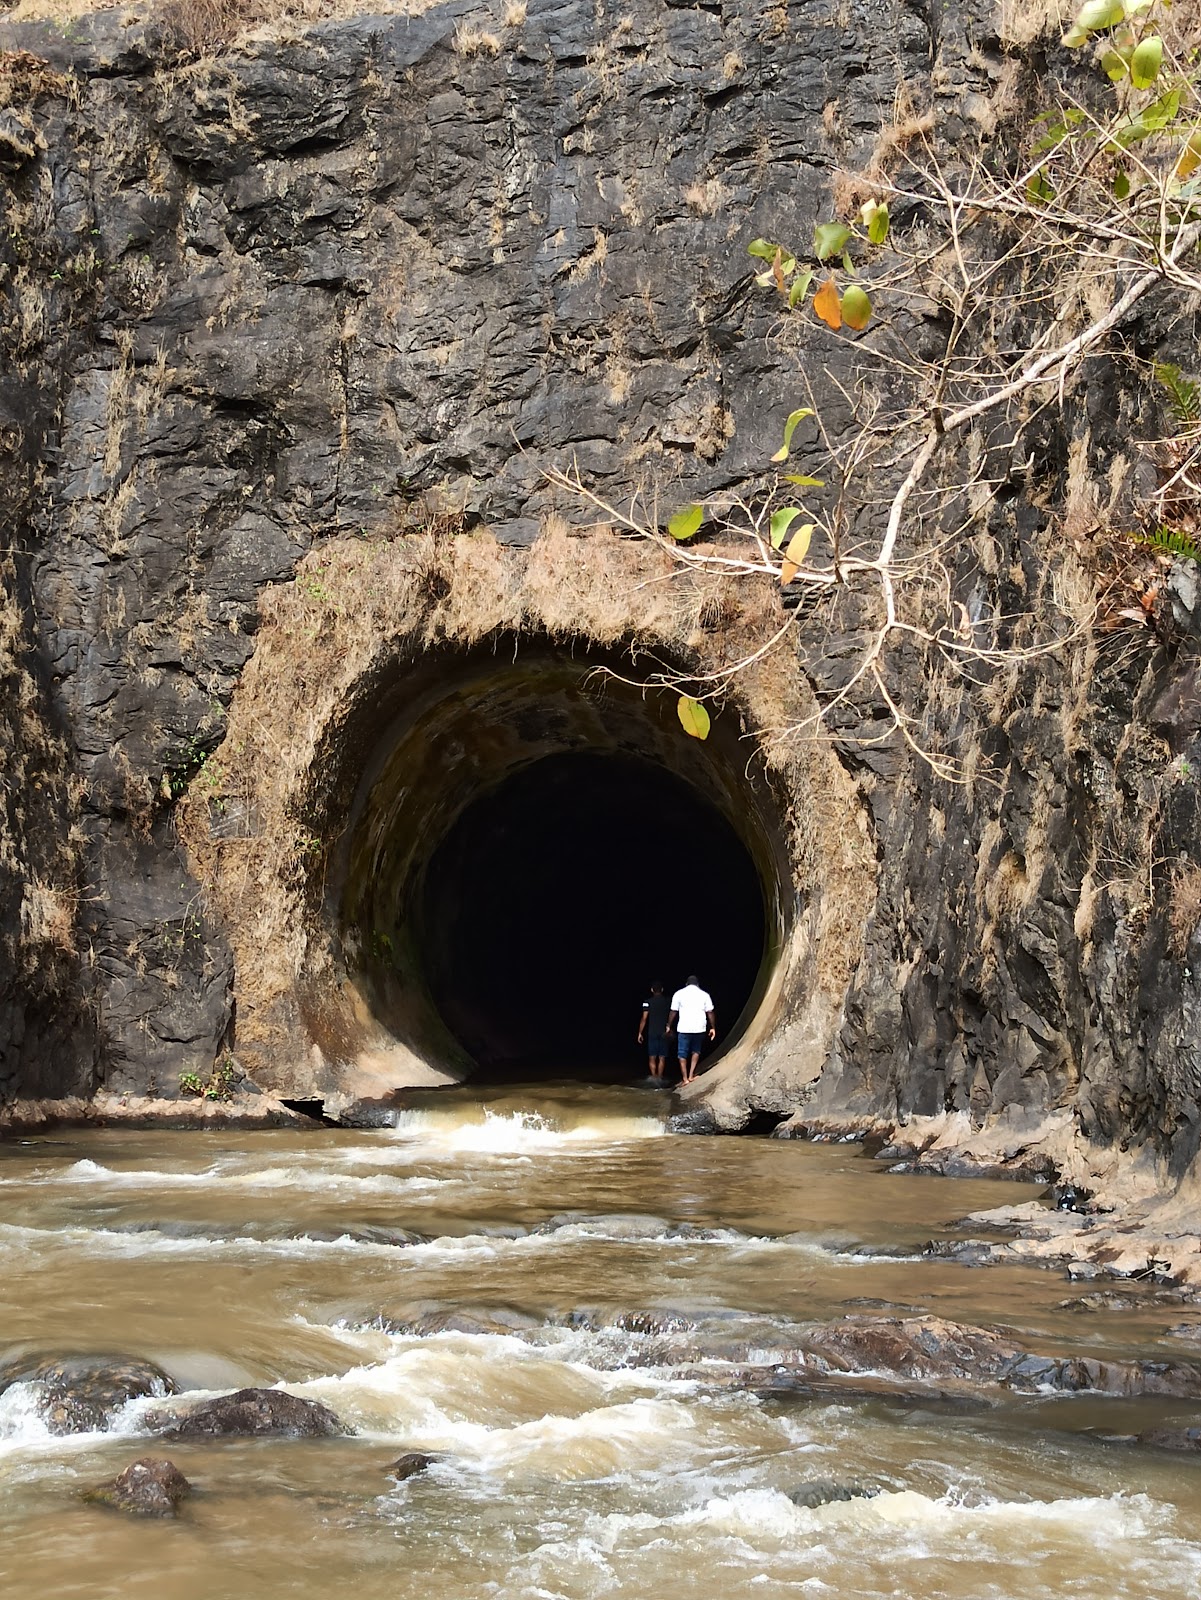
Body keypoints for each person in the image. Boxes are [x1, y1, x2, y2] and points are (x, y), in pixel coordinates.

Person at [669, 975, 715, 1084]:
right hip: (699, 1028)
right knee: (696, 1051)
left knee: (682, 1053)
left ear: (686, 984)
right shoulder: (704, 995)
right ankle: (691, 1075)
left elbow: (673, 1011)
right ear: (698, 984)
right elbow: (710, 1012)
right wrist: (713, 1027)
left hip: (684, 1028)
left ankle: (685, 1079)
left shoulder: (679, 994)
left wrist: (668, 1025)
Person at [637, 981, 672, 1082]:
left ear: (652, 990)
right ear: (662, 990)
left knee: (652, 1056)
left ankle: (654, 1077)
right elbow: (672, 1014)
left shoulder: (647, 1002)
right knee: (662, 1057)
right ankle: (660, 1077)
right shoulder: (667, 1001)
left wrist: (640, 1032)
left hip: (652, 1031)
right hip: (664, 1032)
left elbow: (644, 1018)